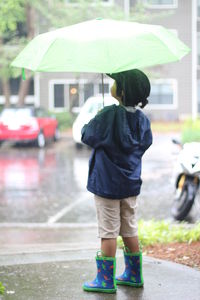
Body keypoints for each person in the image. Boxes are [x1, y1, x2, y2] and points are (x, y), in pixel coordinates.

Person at [81, 69, 153, 294]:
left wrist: (100, 117)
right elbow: (146, 142)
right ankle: (134, 274)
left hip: (106, 186)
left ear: (120, 91)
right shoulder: (141, 119)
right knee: (129, 228)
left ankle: (105, 280)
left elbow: (86, 134)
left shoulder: (108, 115)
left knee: (108, 231)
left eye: (115, 83)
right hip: (130, 185)